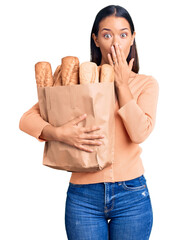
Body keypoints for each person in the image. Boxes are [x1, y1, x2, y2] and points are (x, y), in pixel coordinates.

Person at [19, 4, 159, 240]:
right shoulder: (79, 83)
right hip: (83, 197)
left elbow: (139, 133)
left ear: (133, 38)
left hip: (132, 195)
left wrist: (122, 84)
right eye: (107, 35)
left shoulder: (146, 84)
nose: (116, 43)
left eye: (123, 34)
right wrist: (60, 133)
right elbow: (27, 119)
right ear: (96, 39)